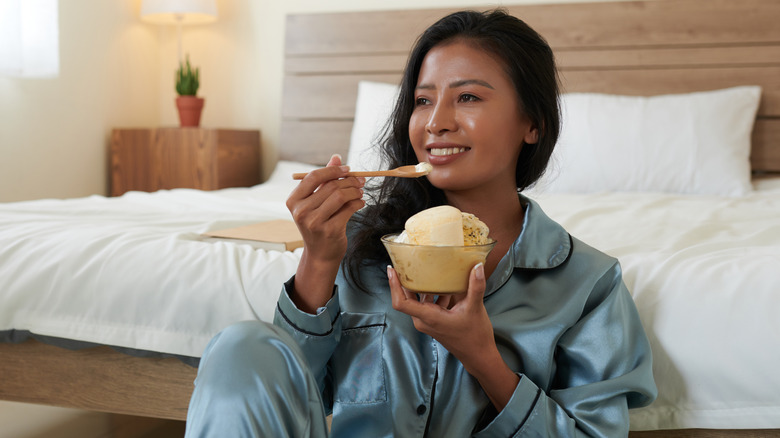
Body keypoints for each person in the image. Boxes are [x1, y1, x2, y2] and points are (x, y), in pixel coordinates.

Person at [185, 9, 657, 437]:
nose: (436, 123)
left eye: (467, 97)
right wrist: (319, 260)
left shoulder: (589, 283)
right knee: (241, 346)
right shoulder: (363, 246)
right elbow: (286, 399)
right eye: (423, 100)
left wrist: (482, 356)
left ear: (531, 123)